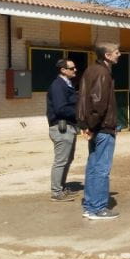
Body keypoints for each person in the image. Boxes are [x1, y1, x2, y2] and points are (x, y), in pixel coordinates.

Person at [77, 42, 121, 220]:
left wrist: (86, 125)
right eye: (116, 52)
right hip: (102, 128)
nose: (119, 54)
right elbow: (98, 103)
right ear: (107, 56)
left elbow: (83, 99)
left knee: (93, 167)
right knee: (101, 168)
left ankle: (89, 206)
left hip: (95, 127)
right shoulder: (102, 73)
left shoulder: (91, 70)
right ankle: (98, 207)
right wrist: (92, 126)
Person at [46, 58, 79, 201]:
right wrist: (79, 113)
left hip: (68, 127)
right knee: (61, 160)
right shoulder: (58, 85)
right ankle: (56, 192)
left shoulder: (67, 84)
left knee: (67, 159)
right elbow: (61, 109)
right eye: (72, 68)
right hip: (61, 128)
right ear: (63, 70)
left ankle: (61, 187)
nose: (75, 70)